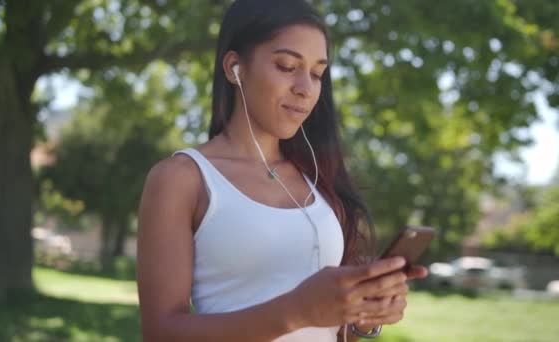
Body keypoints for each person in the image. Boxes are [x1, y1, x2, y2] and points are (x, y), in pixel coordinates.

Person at [136, 0, 427, 341]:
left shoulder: (318, 177)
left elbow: (330, 330)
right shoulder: (182, 179)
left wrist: (363, 315)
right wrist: (294, 312)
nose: (305, 88)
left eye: (317, 73)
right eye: (288, 66)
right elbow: (161, 333)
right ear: (234, 68)